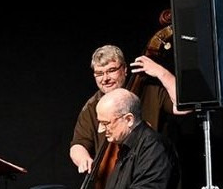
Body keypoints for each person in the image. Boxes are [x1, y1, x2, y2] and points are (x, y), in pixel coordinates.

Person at [70, 44, 189, 176]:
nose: (105, 78)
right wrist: (83, 159)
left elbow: (185, 106)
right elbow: (78, 144)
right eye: (99, 73)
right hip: (114, 181)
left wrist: (161, 72)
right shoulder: (92, 106)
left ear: (125, 69)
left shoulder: (150, 90)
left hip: (153, 172)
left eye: (111, 70)